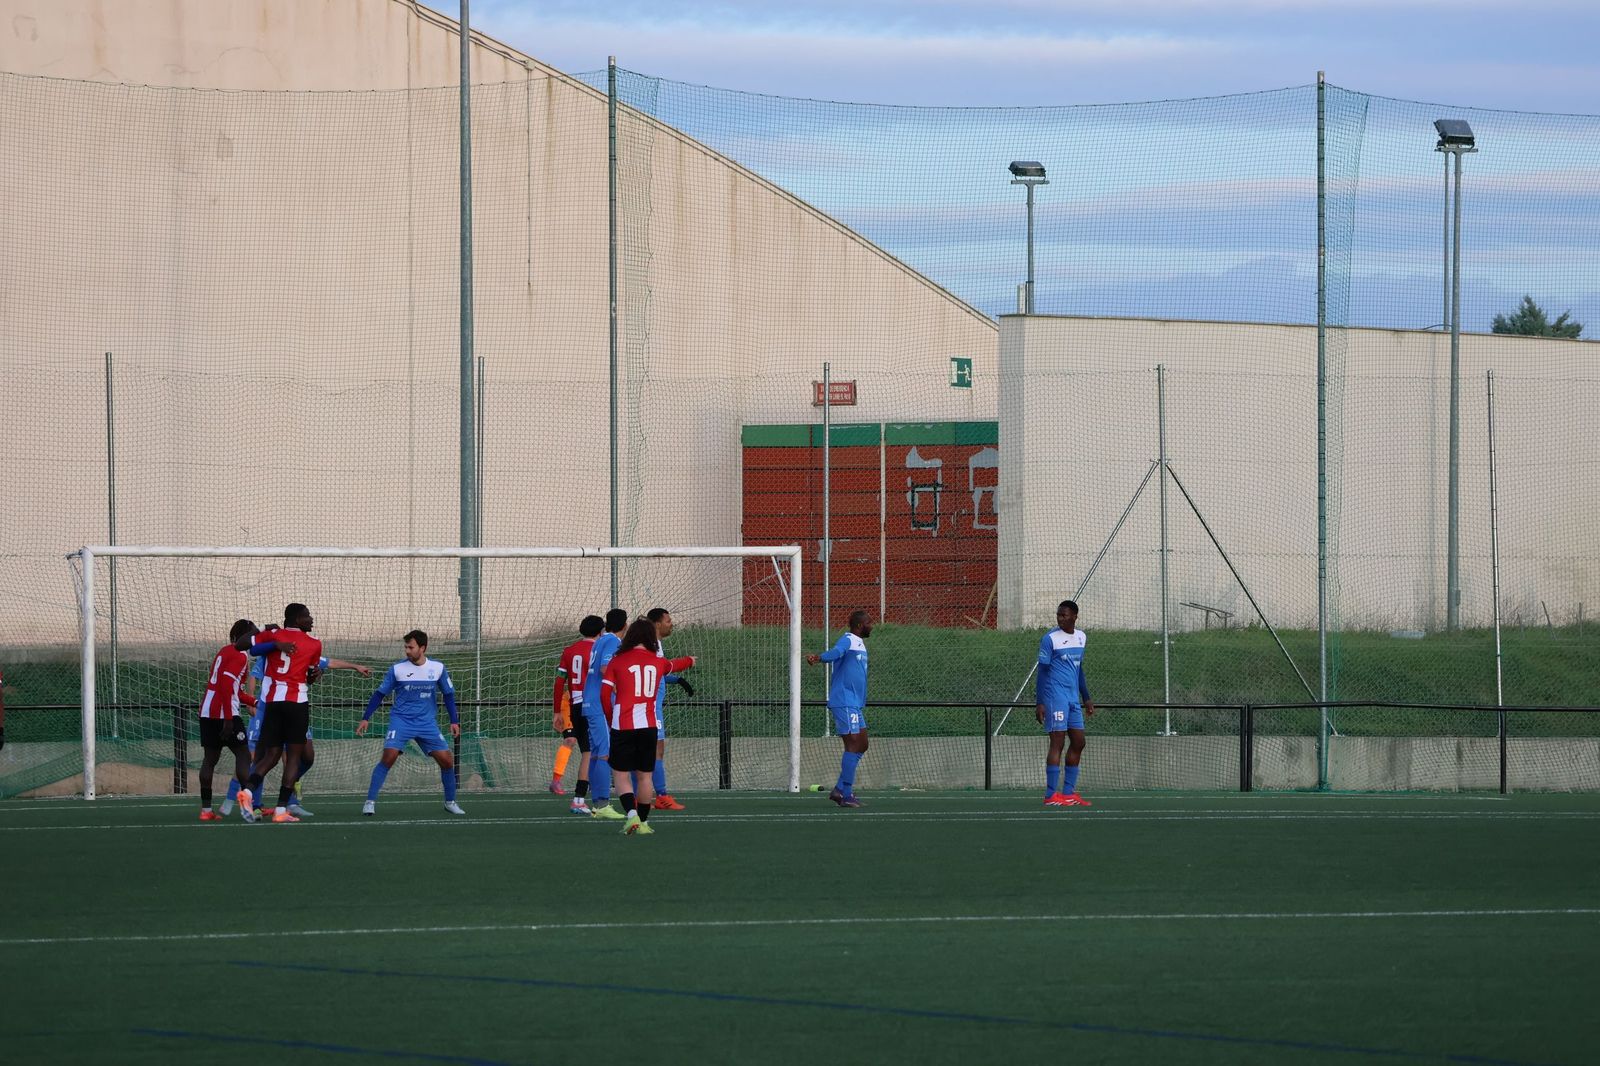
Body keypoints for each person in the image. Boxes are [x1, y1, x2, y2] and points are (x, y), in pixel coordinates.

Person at [224, 622, 370, 818]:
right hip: (271, 707)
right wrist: (251, 701)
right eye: (307, 617)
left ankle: (272, 797)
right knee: (263, 756)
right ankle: (262, 804)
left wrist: (353, 666)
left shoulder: (304, 647)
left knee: (303, 756)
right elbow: (254, 673)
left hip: (290, 707)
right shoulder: (271, 651)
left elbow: (323, 664)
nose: (311, 620)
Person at [601, 618, 694, 836]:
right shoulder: (657, 662)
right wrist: (690, 660)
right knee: (645, 776)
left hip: (622, 725)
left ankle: (632, 816)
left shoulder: (617, 661)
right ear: (650, 638)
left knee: (621, 775)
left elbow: (604, 695)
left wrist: (609, 717)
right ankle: (642, 822)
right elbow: (674, 664)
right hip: (649, 726)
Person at [358, 629, 465, 817]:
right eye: (406, 647)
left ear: (422, 648)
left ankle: (450, 802)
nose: (407, 651)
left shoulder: (438, 668)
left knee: (447, 761)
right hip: (401, 721)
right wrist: (366, 718)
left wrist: (454, 721)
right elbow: (379, 694)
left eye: (411, 647)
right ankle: (369, 802)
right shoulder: (397, 669)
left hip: (427, 723)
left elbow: (448, 695)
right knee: (388, 757)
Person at [242, 603, 324, 823]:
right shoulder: (314, 643)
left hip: (273, 704)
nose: (311, 619)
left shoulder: (273, 635)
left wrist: (273, 642)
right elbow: (308, 677)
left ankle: (248, 792)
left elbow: (249, 648)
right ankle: (280, 810)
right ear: (297, 619)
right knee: (294, 758)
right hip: (296, 702)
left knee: (270, 755)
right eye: (307, 616)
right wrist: (314, 676)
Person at [196, 619, 265, 822]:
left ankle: (206, 810)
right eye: (252, 637)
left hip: (208, 712)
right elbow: (226, 686)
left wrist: (255, 701)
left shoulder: (224, 651)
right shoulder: (239, 656)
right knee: (244, 756)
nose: (254, 641)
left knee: (210, 760)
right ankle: (247, 808)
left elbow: (234, 690)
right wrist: (228, 720)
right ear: (243, 637)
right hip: (225, 713)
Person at [807, 609, 872, 808]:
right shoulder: (848, 639)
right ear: (860, 625)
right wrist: (820, 658)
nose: (872, 626)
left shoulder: (860, 643)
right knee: (853, 744)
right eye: (869, 622)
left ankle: (839, 789)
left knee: (862, 744)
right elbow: (836, 652)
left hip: (853, 703)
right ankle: (845, 793)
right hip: (844, 702)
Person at [1036, 599, 1095, 808]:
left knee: (1079, 742)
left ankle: (1068, 793)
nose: (1061, 618)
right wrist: (1040, 702)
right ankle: (1051, 795)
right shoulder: (1050, 639)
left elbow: (1078, 670)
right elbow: (1042, 672)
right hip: (1055, 697)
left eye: (1065, 615)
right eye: (1059, 614)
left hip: (1072, 699)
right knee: (1058, 743)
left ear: (1075, 616)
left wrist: (1086, 697)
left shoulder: (1081, 637)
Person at [578, 608, 628, 821]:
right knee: (605, 752)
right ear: (624, 626)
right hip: (599, 703)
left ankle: (600, 804)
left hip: (591, 702)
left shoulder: (599, 640)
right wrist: (620, 687)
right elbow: (605, 668)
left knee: (599, 753)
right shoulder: (612, 642)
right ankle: (602, 803)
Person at [552, 615, 603, 809]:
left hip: (575, 706)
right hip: (595, 706)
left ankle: (581, 798)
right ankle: (594, 797)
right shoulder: (600, 650)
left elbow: (559, 682)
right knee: (601, 751)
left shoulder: (569, 651)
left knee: (588, 752)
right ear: (601, 632)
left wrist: (557, 711)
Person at [646, 607, 694, 811]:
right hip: (650, 707)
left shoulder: (654, 644)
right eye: (668, 620)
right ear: (657, 623)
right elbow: (654, 669)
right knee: (656, 750)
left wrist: (677, 680)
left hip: (647, 706)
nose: (671, 623)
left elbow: (655, 671)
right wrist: (685, 664)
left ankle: (642, 795)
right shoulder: (651, 645)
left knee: (646, 752)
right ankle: (662, 796)